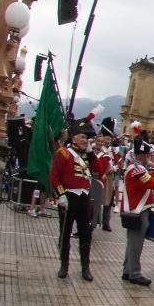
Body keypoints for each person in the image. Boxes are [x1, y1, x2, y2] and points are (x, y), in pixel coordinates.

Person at [50, 114, 97, 281]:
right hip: (68, 198)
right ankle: (64, 265)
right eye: (83, 137)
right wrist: (61, 194)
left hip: (84, 199)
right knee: (65, 233)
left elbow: (98, 169)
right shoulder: (63, 153)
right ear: (74, 137)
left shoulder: (86, 155)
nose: (86, 140)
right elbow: (54, 177)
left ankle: (85, 267)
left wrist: (91, 154)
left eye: (87, 138)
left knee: (86, 235)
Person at [121, 134, 154, 286]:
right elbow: (151, 182)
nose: (151, 156)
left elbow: (149, 174)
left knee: (132, 243)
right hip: (137, 211)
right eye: (148, 154)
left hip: (137, 211)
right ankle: (134, 273)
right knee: (136, 244)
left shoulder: (138, 168)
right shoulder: (137, 170)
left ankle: (127, 270)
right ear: (143, 154)